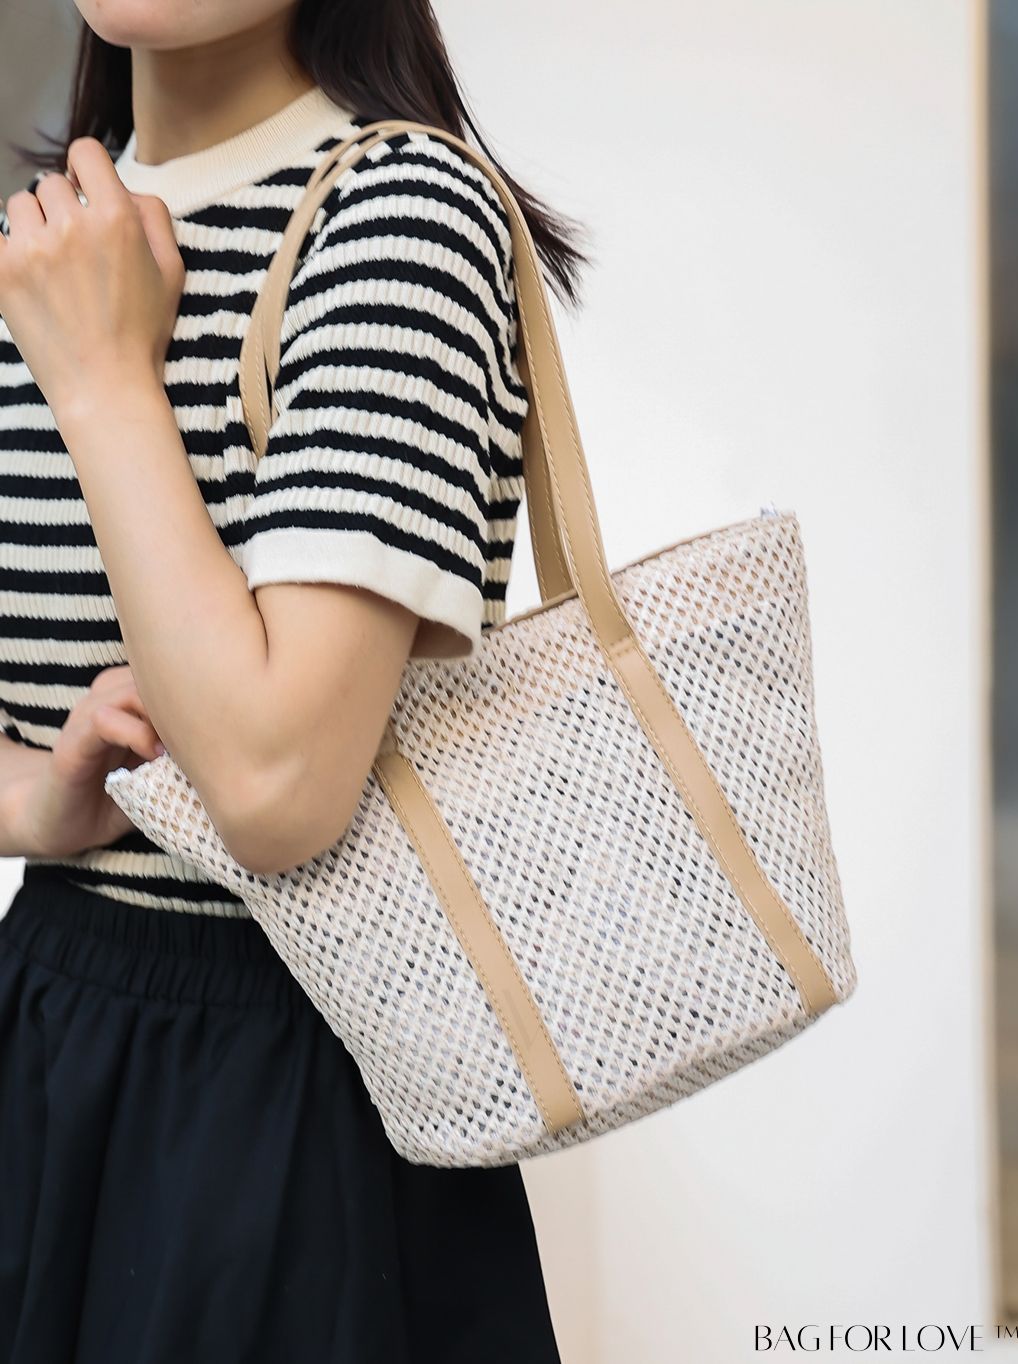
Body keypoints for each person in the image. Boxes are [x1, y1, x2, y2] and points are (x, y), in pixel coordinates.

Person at [0, 1, 590, 1360]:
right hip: (44, 1052)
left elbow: (276, 790)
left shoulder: (400, 214)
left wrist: (106, 383)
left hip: (294, 1108)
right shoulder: (45, 242)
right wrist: (37, 803)